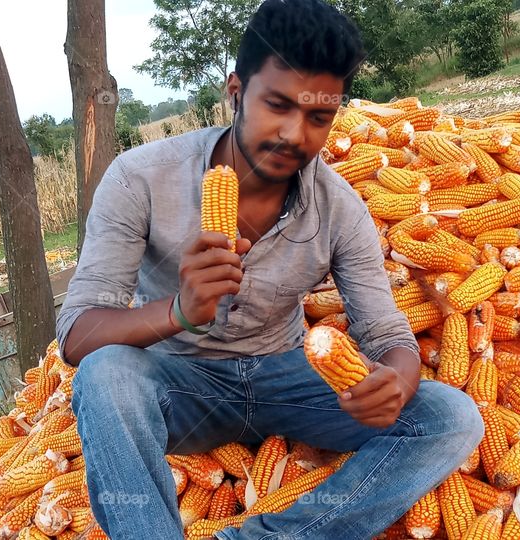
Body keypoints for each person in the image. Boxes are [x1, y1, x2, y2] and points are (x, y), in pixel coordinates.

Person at [56, 0, 483, 538]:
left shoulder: (339, 206)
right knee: (106, 375)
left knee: (450, 418)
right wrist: (180, 311)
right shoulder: (139, 179)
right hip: (179, 385)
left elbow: (384, 330)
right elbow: (77, 334)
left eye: (318, 118)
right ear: (235, 93)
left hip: (287, 379)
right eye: (278, 105)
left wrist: (395, 380)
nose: (295, 134)